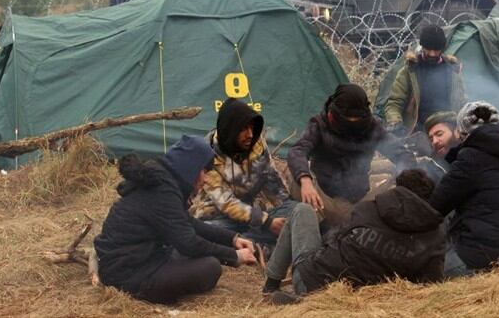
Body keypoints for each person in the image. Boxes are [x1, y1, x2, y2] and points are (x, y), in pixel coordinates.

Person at [94, 136, 258, 304]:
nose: (205, 178)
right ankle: (143, 291)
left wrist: (232, 239)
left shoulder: (162, 180)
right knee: (210, 267)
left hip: (134, 260)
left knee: (188, 254)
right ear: (191, 167)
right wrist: (234, 255)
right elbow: (189, 243)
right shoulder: (162, 190)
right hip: (127, 274)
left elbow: (188, 223)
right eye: (203, 171)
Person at [261, 168, 446, 303]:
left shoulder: (369, 208)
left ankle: (271, 285)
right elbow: (429, 288)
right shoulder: (435, 238)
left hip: (312, 283)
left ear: (397, 188)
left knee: (302, 210)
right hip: (360, 303)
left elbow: (334, 240)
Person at [430, 101, 499, 278]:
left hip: (483, 259)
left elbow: (435, 207)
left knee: (428, 262)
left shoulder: (471, 157)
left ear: (462, 131)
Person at [287, 84, 416, 227]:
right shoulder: (320, 124)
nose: (352, 126)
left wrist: (407, 177)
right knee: (296, 180)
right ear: (333, 114)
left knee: (401, 185)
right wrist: (305, 181)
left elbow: (401, 153)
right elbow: (297, 151)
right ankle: (322, 227)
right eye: (347, 121)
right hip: (325, 198)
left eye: (357, 122)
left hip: (361, 201)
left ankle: (348, 226)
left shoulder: (372, 126)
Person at [190, 98, 296, 247]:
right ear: (229, 129)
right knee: (205, 232)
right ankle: (250, 242)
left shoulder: (256, 146)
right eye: (243, 129)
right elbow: (225, 202)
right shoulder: (207, 152)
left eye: (252, 128)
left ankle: (250, 241)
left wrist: (286, 211)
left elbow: (274, 185)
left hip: (251, 215)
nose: (250, 134)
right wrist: (266, 221)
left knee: (296, 211)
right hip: (216, 216)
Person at [385, 24, 465, 135]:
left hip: (447, 129)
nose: (432, 54)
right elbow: (394, 103)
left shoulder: (452, 71)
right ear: (422, 46)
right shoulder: (410, 71)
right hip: (417, 130)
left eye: (436, 50)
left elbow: (461, 103)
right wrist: (395, 121)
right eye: (428, 49)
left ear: (442, 49)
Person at [419, 111, 461, 183]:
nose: (434, 142)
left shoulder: (475, 158)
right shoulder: (433, 168)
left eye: (439, 134)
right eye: (431, 139)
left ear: (457, 132)